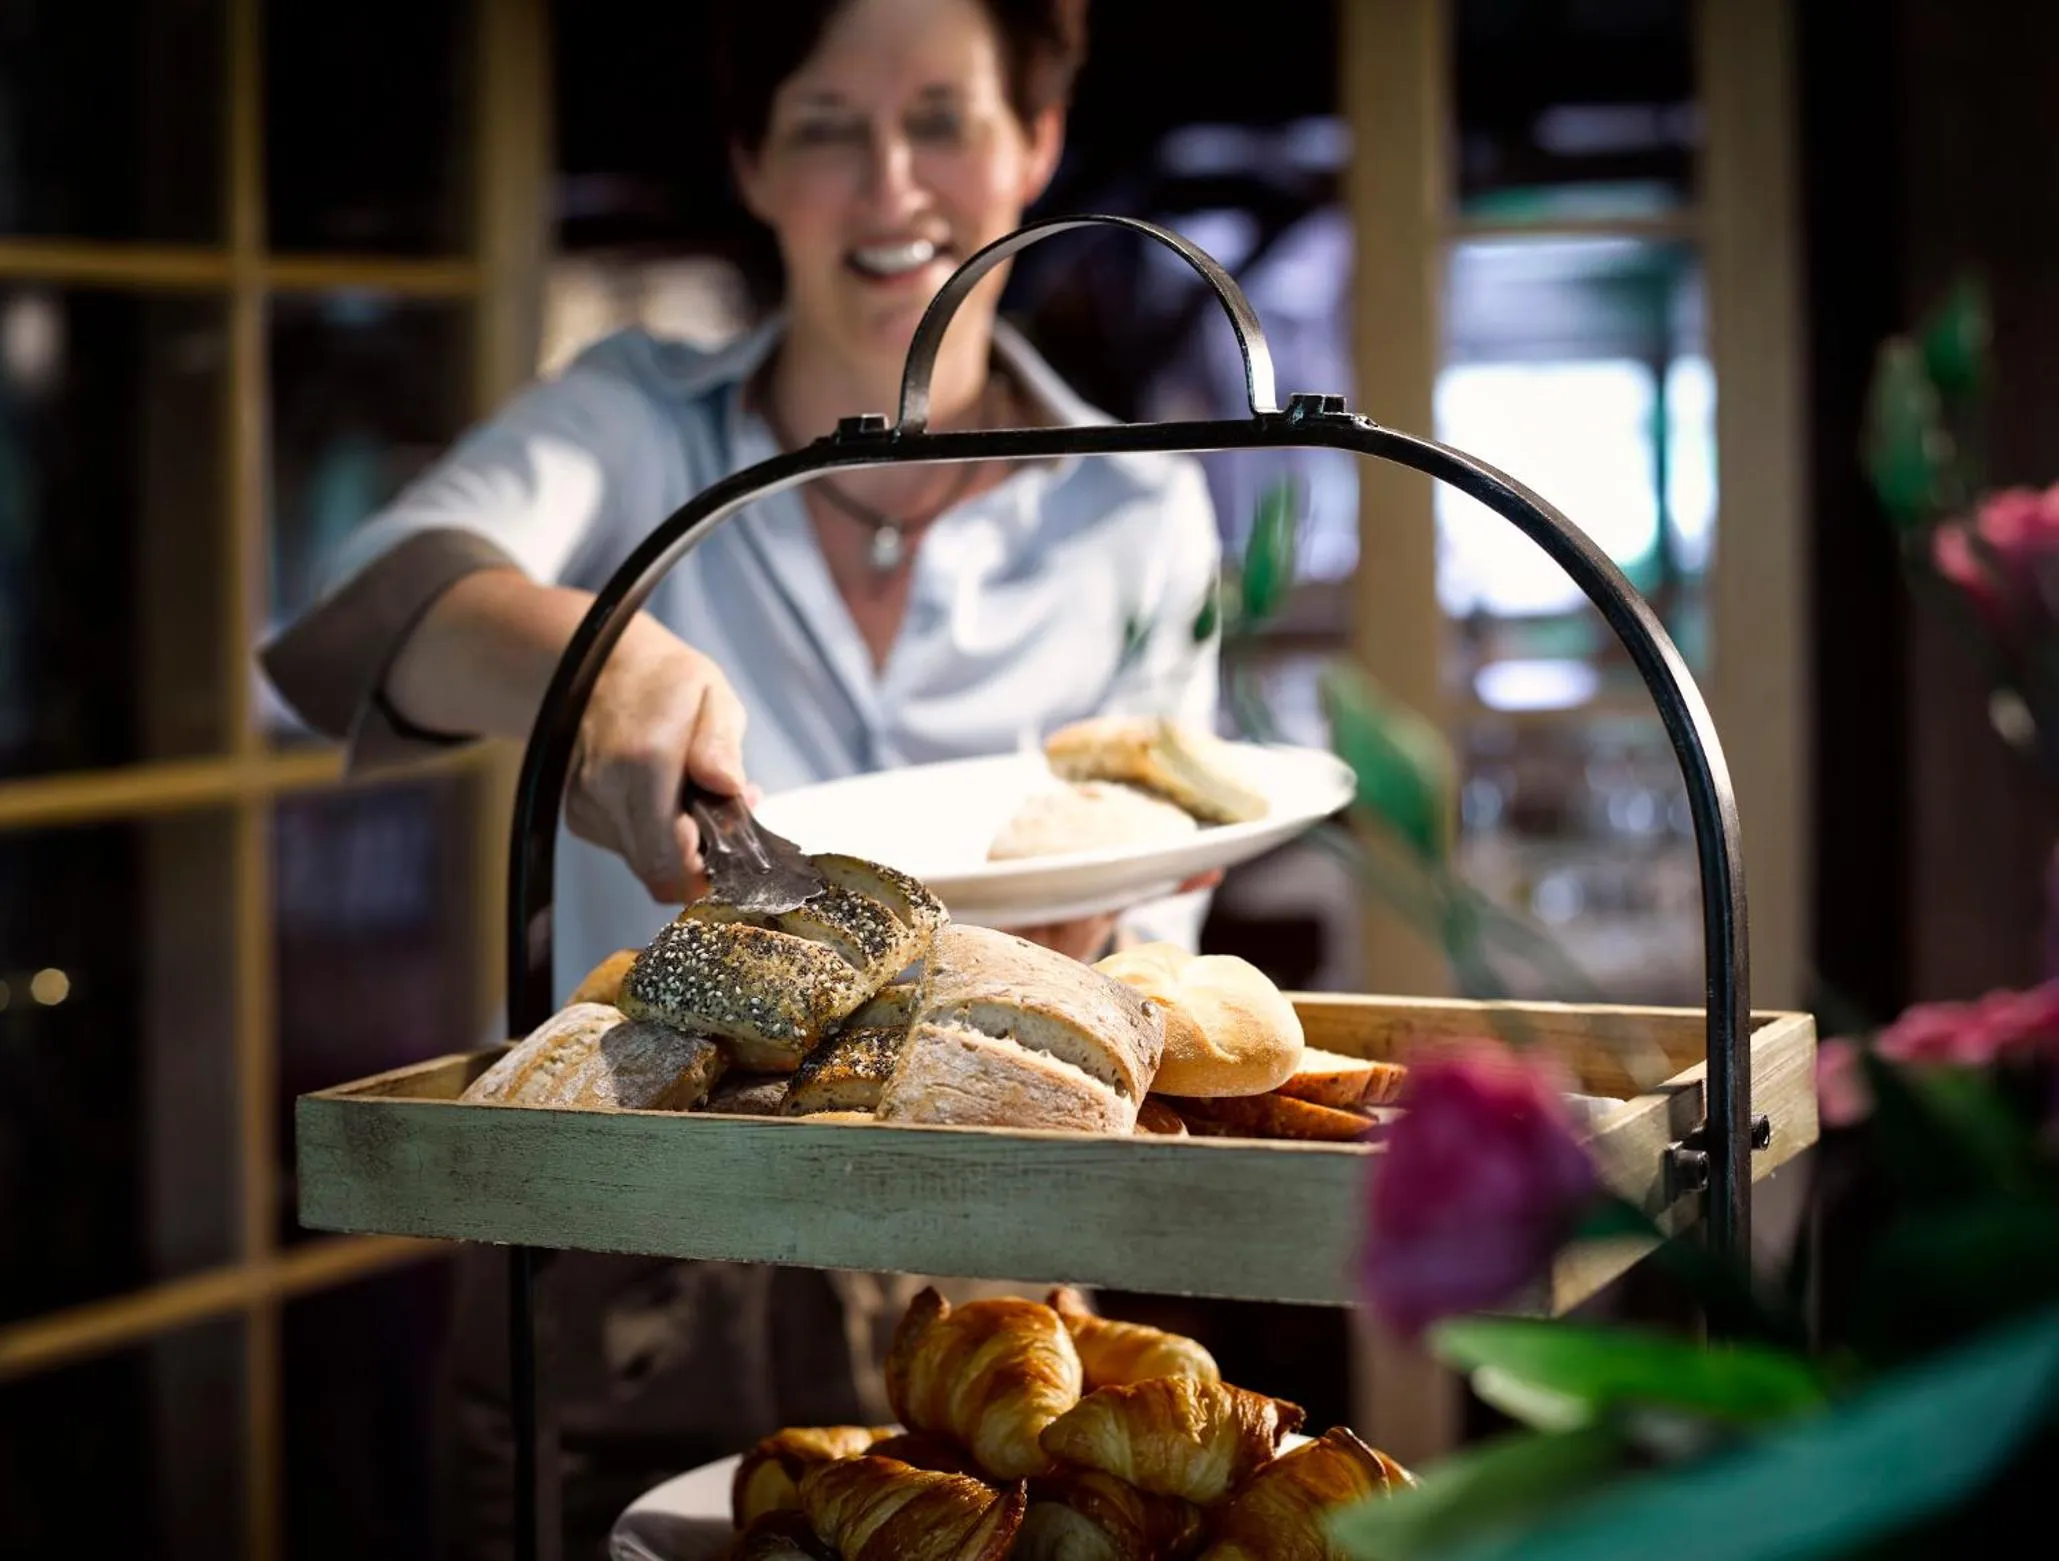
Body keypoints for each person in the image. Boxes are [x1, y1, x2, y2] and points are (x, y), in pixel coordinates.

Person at [262, 1, 1221, 1555]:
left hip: (991, 1278)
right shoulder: (641, 424)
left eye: (942, 119)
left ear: (1034, 144)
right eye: (826, 124)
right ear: (752, 163)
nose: (889, 181)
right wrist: (592, 659)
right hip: (624, 1255)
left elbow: (1160, 915)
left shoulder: (1138, 509)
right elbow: (363, 606)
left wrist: (1106, 957)